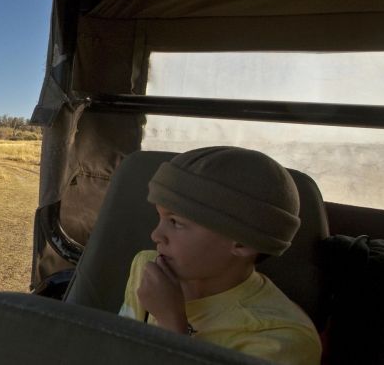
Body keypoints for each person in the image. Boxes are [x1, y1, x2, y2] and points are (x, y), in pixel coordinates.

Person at [118, 146, 321, 365]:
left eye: (176, 222)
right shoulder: (146, 269)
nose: (156, 235)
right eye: (160, 218)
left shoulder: (281, 340)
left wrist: (172, 325)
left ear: (242, 242)